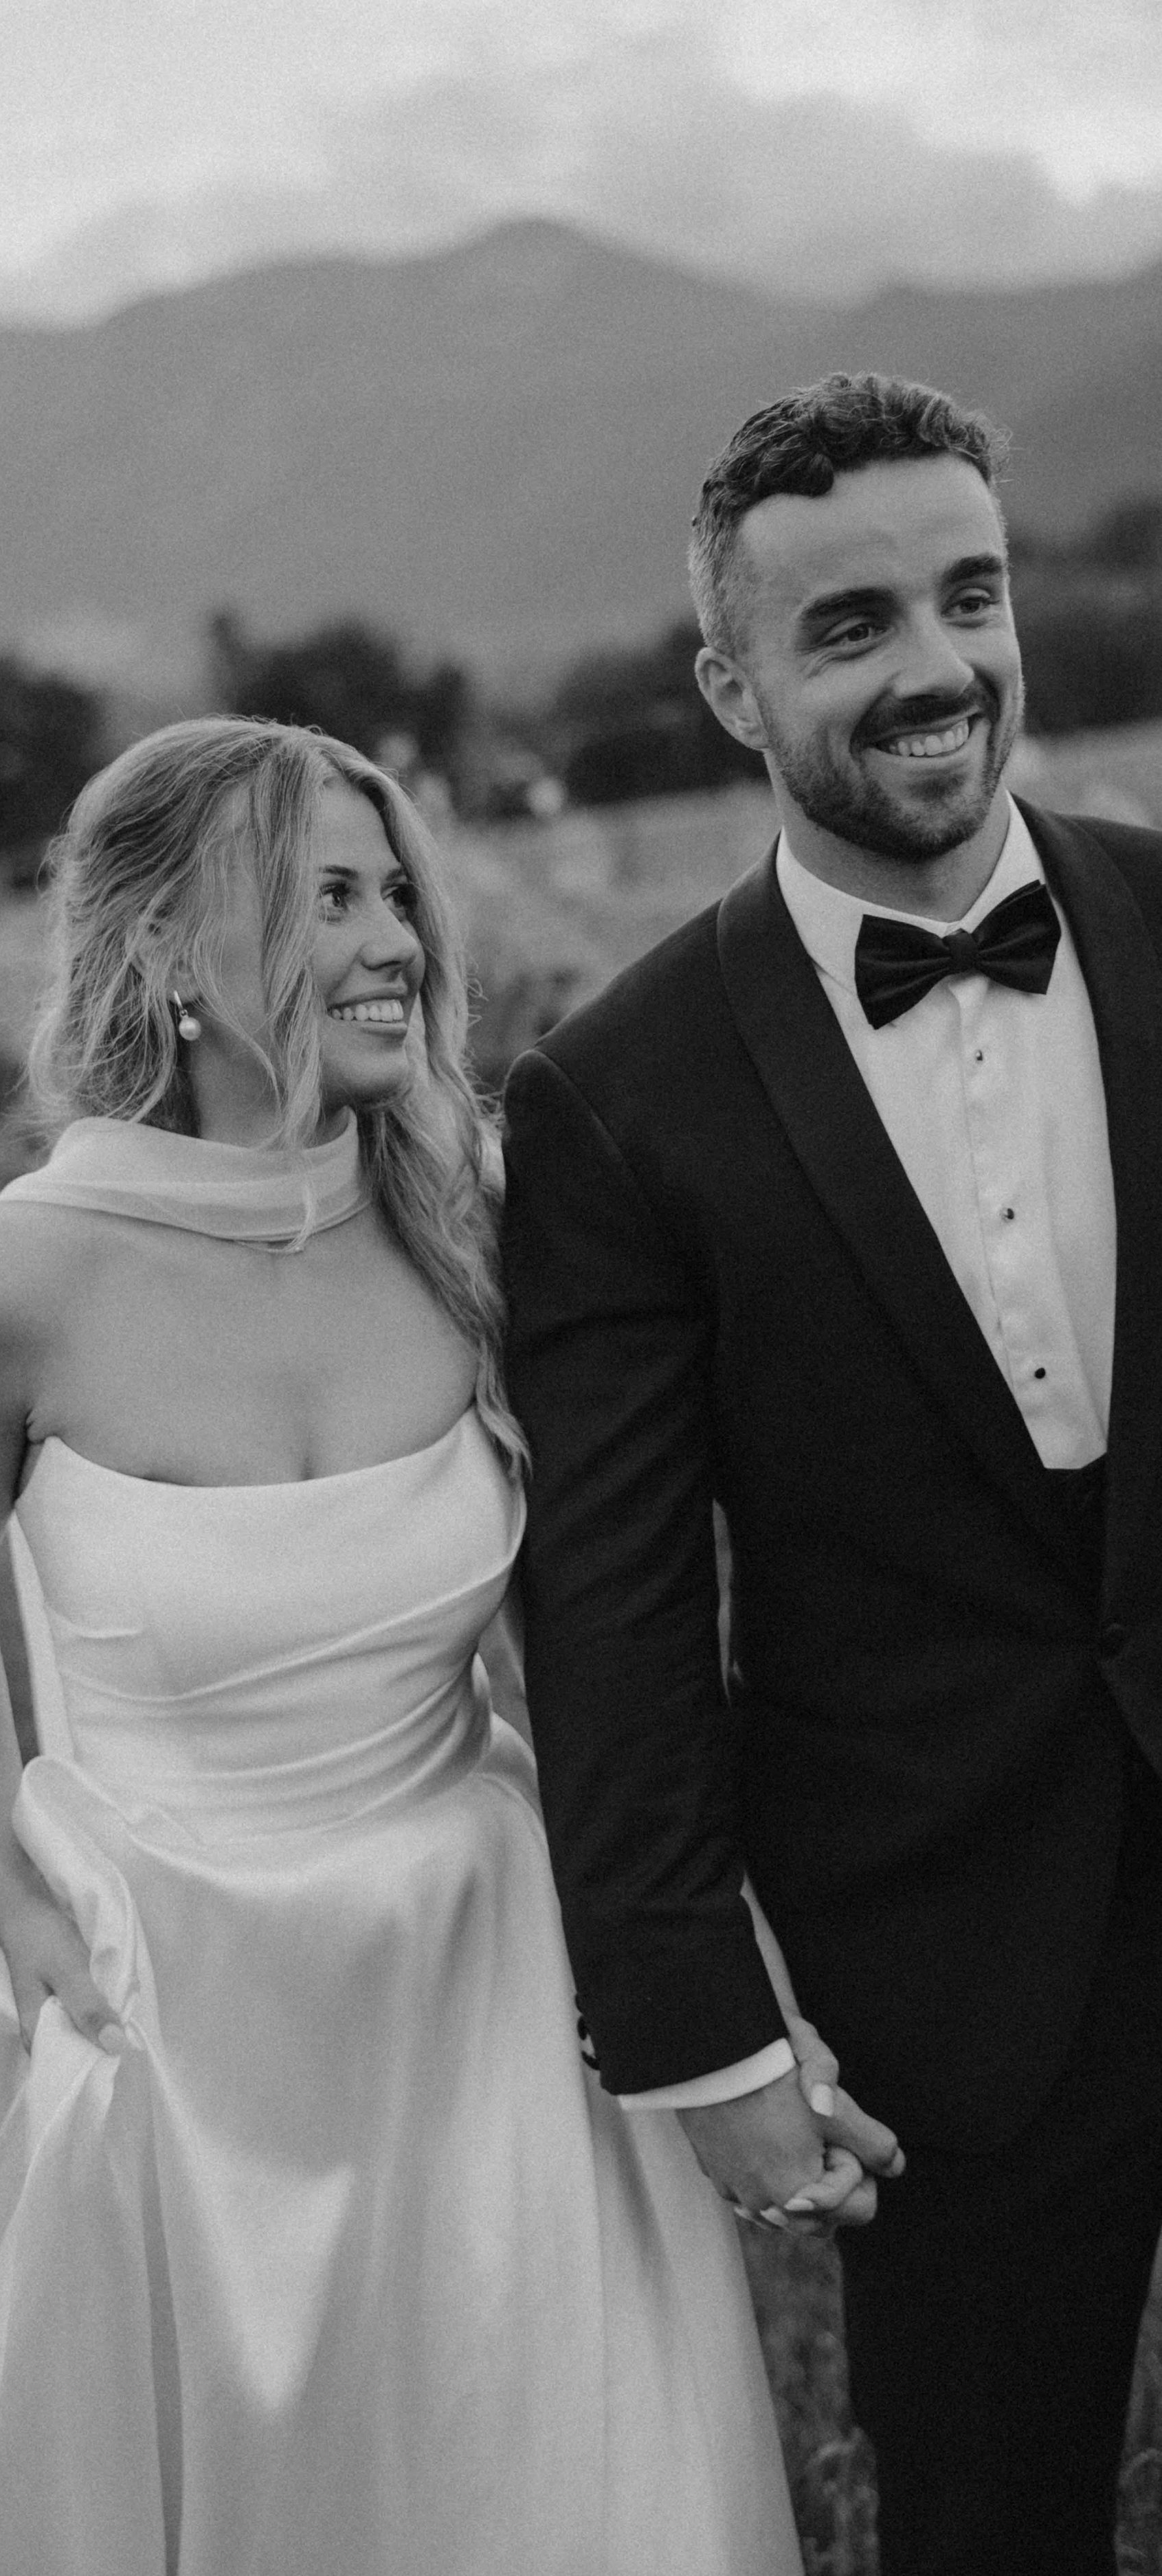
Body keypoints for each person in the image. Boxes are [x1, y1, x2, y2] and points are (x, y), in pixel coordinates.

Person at [0, 717, 829, 2575]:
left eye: (395, 893)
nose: (395, 940)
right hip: (176, 1978)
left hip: (476, 1950)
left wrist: (722, 1968)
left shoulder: (470, 1216)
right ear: (166, 951)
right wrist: (7, 1873)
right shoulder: (11, 1279)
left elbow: (591, 1638)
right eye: (324, 899)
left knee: (520, 2457)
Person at [502, 372, 1162, 2576]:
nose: (934, 666)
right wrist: (693, 2023)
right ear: (731, 689)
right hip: (941, 1958)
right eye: (849, 625)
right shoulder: (615, 1099)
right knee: (990, 2520)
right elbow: (608, 1605)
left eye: (967, 595)